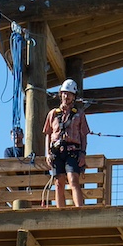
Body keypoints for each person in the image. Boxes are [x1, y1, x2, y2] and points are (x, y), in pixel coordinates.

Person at [44, 80, 90, 208]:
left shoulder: (79, 114)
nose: (66, 96)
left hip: (73, 150)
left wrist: (83, 154)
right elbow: (48, 134)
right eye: (64, 93)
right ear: (61, 94)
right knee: (59, 183)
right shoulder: (53, 114)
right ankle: (60, 211)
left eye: (69, 94)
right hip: (57, 151)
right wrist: (48, 154)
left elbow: (83, 136)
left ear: (74, 97)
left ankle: (79, 209)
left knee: (73, 180)